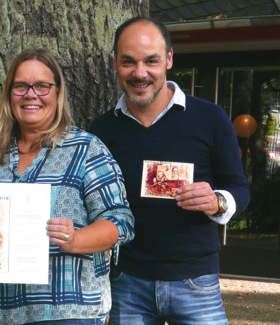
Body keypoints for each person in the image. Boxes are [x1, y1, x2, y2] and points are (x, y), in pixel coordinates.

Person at [89, 17, 251, 325]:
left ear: (169, 59)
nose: (140, 73)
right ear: (115, 64)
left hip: (196, 282)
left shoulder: (211, 118)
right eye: (128, 62)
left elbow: (240, 189)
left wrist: (217, 201)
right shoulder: (102, 130)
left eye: (151, 61)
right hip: (128, 282)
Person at [0, 48, 135, 325]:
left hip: (66, 312)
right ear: (9, 94)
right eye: (21, 86)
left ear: (57, 93)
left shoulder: (86, 150)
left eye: (42, 86)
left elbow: (121, 222)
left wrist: (75, 239)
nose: (31, 94)